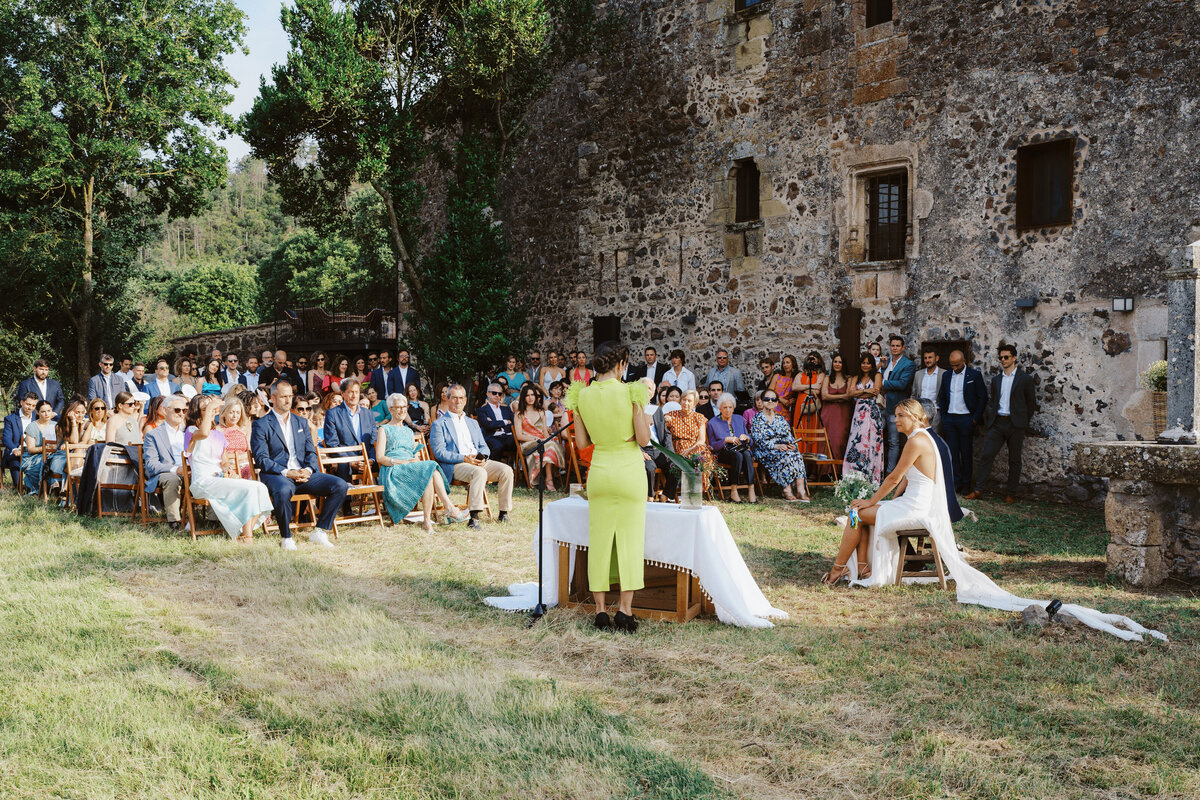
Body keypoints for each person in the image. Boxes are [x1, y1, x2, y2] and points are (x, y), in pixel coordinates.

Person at [566, 341, 651, 632]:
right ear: (621, 364)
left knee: (600, 541)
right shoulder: (630, 391)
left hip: (600, 472)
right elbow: (642, 439)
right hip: (628, 472)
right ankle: (625, 611)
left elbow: (581, 444)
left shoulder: (581, 396)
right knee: (629, 540)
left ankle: (601, 611)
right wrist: (639, 412)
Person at [823, 399, 941, 584]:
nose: (896, 420)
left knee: (856, 514)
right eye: (896, 415)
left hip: (914, 509)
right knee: (857, 511)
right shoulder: (919, 438)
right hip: (911, 504)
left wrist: (871, 501)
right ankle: (861, 565)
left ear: (916, 417)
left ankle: (839, 567)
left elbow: (894, 477)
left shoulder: (916, 441)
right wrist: (891, 500)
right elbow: (909, 477)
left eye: (901, 416)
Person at [250, 381, 349, 550]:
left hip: (304, 473)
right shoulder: (261, 424)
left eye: (290, 396)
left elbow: (311, 452)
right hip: (278, 475)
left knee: (339, 485)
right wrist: (288, 472)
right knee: (282, 491)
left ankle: (320, 531)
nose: (288, 400)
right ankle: (286, 537)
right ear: (273, 398)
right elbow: (261, 459)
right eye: (283, 397)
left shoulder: (300, 422)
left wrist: (308, 470)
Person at [184, 395, 274, 542]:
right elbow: (204, 433)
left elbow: (224, 460)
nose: (211, 411)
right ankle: (247, 537)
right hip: (203, 482)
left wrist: (227, 469)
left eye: (212, 409)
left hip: (219, 478)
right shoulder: (191, 430)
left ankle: (244, 533)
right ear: (196, 411)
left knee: (260, 487)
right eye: (205, 409)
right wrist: (212, 408)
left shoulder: (218, 434)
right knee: (249, 490)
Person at [376, 393, 469, 531]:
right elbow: (380, 458)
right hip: (393, 469)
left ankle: (428, 521)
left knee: (428, 473)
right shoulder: (384, 429)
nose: (402, 410)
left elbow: (413, 453)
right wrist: (403, 462)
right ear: (390, 410)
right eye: (398, 407)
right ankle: (449, 508)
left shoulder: (408, 431)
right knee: (430, 467)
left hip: (410, 467)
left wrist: (415, 459)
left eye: (404, 407)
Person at [430, 384, 515, 530]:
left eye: (461, 398)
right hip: (456, 464)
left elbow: (484, 446)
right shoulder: (439, 424)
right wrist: (464, 458)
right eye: (454, 398)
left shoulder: (472, 422)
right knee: (479, 473)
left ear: (465, 400)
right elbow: (439, 452)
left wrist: (482, 457)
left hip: (477, 460)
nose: (458, 401)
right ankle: (474, 518)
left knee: (506, 470)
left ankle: (503, 513)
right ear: (448, 399)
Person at [965, 344, 1037, 503]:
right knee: (987, 455)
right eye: (1001, 358)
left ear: (1014, 358)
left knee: (1014, 460)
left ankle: (1011, 493)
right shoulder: (997, 380)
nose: (1003, 360)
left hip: (1016, 425)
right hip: (998, 424)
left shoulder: (1025, 379)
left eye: (1006, 357)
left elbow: (1031, 403)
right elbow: (994, 400)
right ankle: (978, 490)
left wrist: (1023, 421)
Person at [937, 349, 988, 494]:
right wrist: (945, 417)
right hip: (950, 420)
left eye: (957, 365)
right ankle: (955, 482)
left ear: (964, 362)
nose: (955, 368)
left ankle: (966, 484)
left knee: (966, 453)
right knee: (952, 453)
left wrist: (975, 419)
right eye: (952, 365)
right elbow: (943, 397)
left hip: (966, 419)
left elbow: (982, 397)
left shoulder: (974, 375)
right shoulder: (947, 375)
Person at [751, 389, 811, 502]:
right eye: (767, 399)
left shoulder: (780, 419)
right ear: (762, 401)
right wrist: (775, 446)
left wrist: (792, 445)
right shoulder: (757, 419)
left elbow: (788, 436)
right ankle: (786, 489)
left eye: (773, 399)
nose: (770, 401)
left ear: (777, 402)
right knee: (783, 455)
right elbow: (758, 439)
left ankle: (800, 490)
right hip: (765, 450)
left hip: (783, 448)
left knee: (796, 454)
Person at [143, 396, 188, 530]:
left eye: (184, 411)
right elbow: (151, 464)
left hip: (190, 470)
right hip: (167, 472)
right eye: (177, 410)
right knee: (172, 478)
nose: (181, 413)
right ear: (165, 410)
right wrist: (175, 469)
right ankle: (174, 522)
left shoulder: (189, 432)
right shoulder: (154, 434)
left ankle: (213, 519)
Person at [322, 380, 379, 483]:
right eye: (351, 392)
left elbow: (373, 441)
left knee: (385, 461)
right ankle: (346, 498)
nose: (354, 396)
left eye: (357, 392)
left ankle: (385, 497)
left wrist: (370, 460)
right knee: (343, 464)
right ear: (343, 393)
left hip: (367, 460)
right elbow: (332, 444)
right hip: (346, 460)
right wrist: (352, 462)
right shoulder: (333, 414)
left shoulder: (368, 414)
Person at [514, 384, 565, 491]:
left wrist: (547, 439)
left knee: (550, 445)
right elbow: (519, 436)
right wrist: (536, 439)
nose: (531, 397)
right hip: (527, 444)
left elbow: (545, 434)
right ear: (523, 397)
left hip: (543, 443)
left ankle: (548, 479)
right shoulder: (519, 413)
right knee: (549, 445)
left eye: (533, 395)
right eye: (527, 395)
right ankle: (549, 481)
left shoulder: (541, 412)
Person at [707, 393, 756, 503]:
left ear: (734, 408)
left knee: (747, 454)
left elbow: (751, 441)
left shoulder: (739, 419)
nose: (728, 410)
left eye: (730, 407)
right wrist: (725, 440)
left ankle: (751, 490)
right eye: (725, 407)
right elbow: (711, 446)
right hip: (722, 452)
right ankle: (734, 491)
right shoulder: (712, 423)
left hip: (740, 449)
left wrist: (747, 438)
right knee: (738, 456)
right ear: (720, 408)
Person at [844, 353, 884, 483]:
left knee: (872, 440)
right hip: (859, 412)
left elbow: (876, 391)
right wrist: (867, 391)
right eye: (863, 363)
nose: (865, 365)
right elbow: (850, 393)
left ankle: (872, 475)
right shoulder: (856, 377)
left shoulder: (877, 375)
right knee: (858, 439)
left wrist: (859, 393)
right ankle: (855, 473)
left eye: (868, 363)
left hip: (872, 411)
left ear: (872, 364)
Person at [664, 389, 714, 491]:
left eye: (689, 401)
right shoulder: (672, 415)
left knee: (699, 456)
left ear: (695, 403)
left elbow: (701, 440)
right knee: (683, 459)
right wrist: (665, 419)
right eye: (684, 400)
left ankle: (695, 491)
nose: (686, 403)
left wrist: (690, 449)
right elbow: (662, 432)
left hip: (694, 448)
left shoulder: (699, 417)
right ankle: (691, 492)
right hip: (676, 449)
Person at [880, 334, 916, 473]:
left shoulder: (908, 364)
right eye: (892, 345)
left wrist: (882, 383)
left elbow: (902, 384)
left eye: (897, 346)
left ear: (903, 347)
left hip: (895, 408)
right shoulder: (886, 362)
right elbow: (878, 373)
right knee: (878, 439)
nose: (894, 348)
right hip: (881, 405)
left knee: (894, 441)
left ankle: (891, 472)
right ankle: (879, 471)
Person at [638, 377, 677, 501]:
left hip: (659, 449)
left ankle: (665, 496)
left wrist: (670, 452)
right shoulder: (634, 410)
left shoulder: (657, 410)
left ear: (653, 393)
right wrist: (640, 452)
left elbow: (666, 434)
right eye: (644, 388)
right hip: (643, 449)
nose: (647, 391)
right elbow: (629, 435)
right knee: (649, 467)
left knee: (676, 466)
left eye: (650, 388)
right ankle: (649, 496)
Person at [819, 353, 853, 460]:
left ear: (844, 364)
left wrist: (832, 397)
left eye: (840, 362)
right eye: (835, 361)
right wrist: (841, 397)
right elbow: (824, 396)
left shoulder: (849, 379)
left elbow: (849, 397)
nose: (837, 364)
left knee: (840, 439)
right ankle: (824, 471)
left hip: (843, 414)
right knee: (826, 440)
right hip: (828, 413)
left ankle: (839, 470)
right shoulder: (827, 378)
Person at [20, 400, 59, 494]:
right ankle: (49, 486)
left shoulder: (56, 426)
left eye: (49, 411)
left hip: (53, 455)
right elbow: (31, 449)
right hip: (33, 457)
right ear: (37, 412)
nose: (46, 414)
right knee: (45, 461)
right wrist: (46, 449)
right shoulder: (32, 427)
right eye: (43, 411)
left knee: (58, 460)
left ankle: (58, 486)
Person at [791, 351, 825, 453]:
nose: (812, 361)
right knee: (799, 429)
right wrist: (811, 387)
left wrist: (802, 389)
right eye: (810, 359)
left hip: (812, 405)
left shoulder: (821, 374)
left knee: (812, 430)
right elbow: (794, 387)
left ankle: (811, 460)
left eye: (814, 359)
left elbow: (817, 390)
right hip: (800, 405)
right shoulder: (800, 375)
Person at [3, 393, 37, 488]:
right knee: (15, 459)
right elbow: (6, 438)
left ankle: (35, 486)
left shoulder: (37, 418)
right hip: (16, 451)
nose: (30, 408)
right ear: (22, 403)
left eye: (33, 405)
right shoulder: (10, 419)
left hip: (32, 450)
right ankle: (18, 486)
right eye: (28, 404)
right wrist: (14, 449)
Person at [217, 394, 255, 480]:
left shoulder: (245, 429)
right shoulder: (218, 431)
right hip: (228, 468)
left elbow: (249, 449)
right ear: (224, 413)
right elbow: (221, 456)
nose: (235, 416)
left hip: (246, 465)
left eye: (238, 412)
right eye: (231, 412)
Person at [476, 382, 517, 460]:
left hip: (507, 436)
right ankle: (494, 469)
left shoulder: (506, 409)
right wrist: (505, 422)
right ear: (488, 394)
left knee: (518, 444)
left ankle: (518, 469)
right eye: (494, 393)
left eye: (499, 394)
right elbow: (488, 425)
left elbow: (513, 423)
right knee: (498, 446)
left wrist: (495, 424)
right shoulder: (482, 410)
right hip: (492, 437)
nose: (497, 395)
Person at [912, 345, 945, 432]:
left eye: (930, 357)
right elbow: (914, 394)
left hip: (936, 413)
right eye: (925, 358)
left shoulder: (944, 374)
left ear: (937, 358)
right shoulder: (918, 374)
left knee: (933, 440)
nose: (927, 360)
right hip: (920, 413)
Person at [770, 354, 799, 425]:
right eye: (783, 363)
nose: (785, 365)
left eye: (787, 362)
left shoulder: (796, 378)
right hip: (774, 407)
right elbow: (769, 393)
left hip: (787, 410)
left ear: (793, 364)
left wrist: (793, 400)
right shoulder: (777, 376)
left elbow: (797, 394)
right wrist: (780, 399)